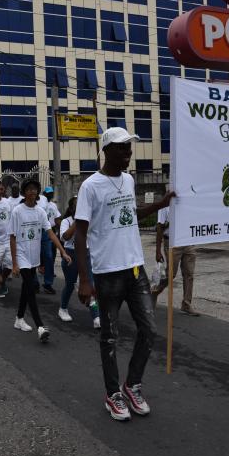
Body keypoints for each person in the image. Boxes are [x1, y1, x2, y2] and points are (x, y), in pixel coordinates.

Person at [74, 126, 175, 421]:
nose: (128, 153)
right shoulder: (91, 187)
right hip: (107, 273)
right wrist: (84, 278)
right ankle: (112, 395)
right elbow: (80, 235)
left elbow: (131, 213)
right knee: (109, 337)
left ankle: (131, 385)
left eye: (129, 147)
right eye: (122, 148)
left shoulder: (129, 180)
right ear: (106, 151)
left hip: (135, 269)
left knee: (150, 330)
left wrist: (159, 204)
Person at [10, 179, 70, 342]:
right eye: (28, 189)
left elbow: (51, 234)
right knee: (30, 287)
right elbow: (13, 237)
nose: (32, 192)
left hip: (34, 255)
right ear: (24, 192)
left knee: (26, 288)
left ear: (37, 192)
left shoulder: (40, 212)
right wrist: (15, 263)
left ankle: (19, 319)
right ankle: (40, 326)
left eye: (34, 189)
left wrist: (63, 252)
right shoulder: (17, 211)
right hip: (22, 255)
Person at [58, 196, 101, 328]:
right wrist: (77, 220)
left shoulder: (89, 220)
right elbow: (65, 237)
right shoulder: (66, 221)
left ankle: (96, 317)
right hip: (70, 255)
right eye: (77, 205)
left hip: (86, 254)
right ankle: (63, 309)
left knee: (91, 285)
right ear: (72, 209)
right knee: (70, 284)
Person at [153, 205, 198, 315]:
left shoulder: (188, 200)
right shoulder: (165, 204)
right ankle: (154, 292)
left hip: (188, 241)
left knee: (189, 274)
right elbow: (160, 227)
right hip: (172, 243)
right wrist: (158, 250)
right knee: (170, 274)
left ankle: (186, 304)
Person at [39, 186, 62, 294]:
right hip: (39, 230)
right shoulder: (39, 202)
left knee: (49, 256)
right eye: (48, 193)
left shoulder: (53, 205)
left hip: (50, 231)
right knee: (36, 256)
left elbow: (57, 219)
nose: (50, 195)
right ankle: (34, 283)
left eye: (51, 193)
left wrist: (60, 231)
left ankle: (48, 283)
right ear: (44, 193)